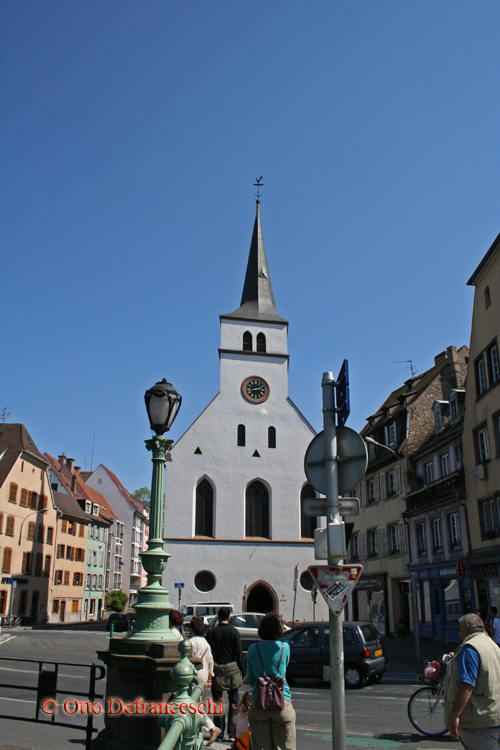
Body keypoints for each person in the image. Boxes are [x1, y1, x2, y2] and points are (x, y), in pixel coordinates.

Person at [444, 612, 500, 750]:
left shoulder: (470, 648)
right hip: (493, 714)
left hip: (477, 719)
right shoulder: (491, 645)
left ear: (467, 627)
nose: (459, 634)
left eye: (460, 629)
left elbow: (466, 685)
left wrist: (455, 715)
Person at [246, 613, 296, 750]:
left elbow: (250, 678)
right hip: (282, 701)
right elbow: (284, 670)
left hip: (259, 702)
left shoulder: (253, 649)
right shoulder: (285, 648)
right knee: (285, 746)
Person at [205, 606, 245, 742]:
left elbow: (208, 653)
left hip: (216, 671)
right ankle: (232, 732)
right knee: (234, 702)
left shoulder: (212, 632)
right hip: (232, 672)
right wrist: (243, 671)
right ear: (228, 617)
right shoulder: (234, 632)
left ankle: (219, 731)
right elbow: (239, 654)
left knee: (217, 702)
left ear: (218, 617)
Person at [188, 617, 221, 746]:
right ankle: (201, 729)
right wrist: (209, 677)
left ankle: (211, 728)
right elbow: (210, 660)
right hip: (203, 674)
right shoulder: (205, 642)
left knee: (192, 704)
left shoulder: (190, 642)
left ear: (192, 629)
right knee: (196, 702)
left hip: (193, 674)